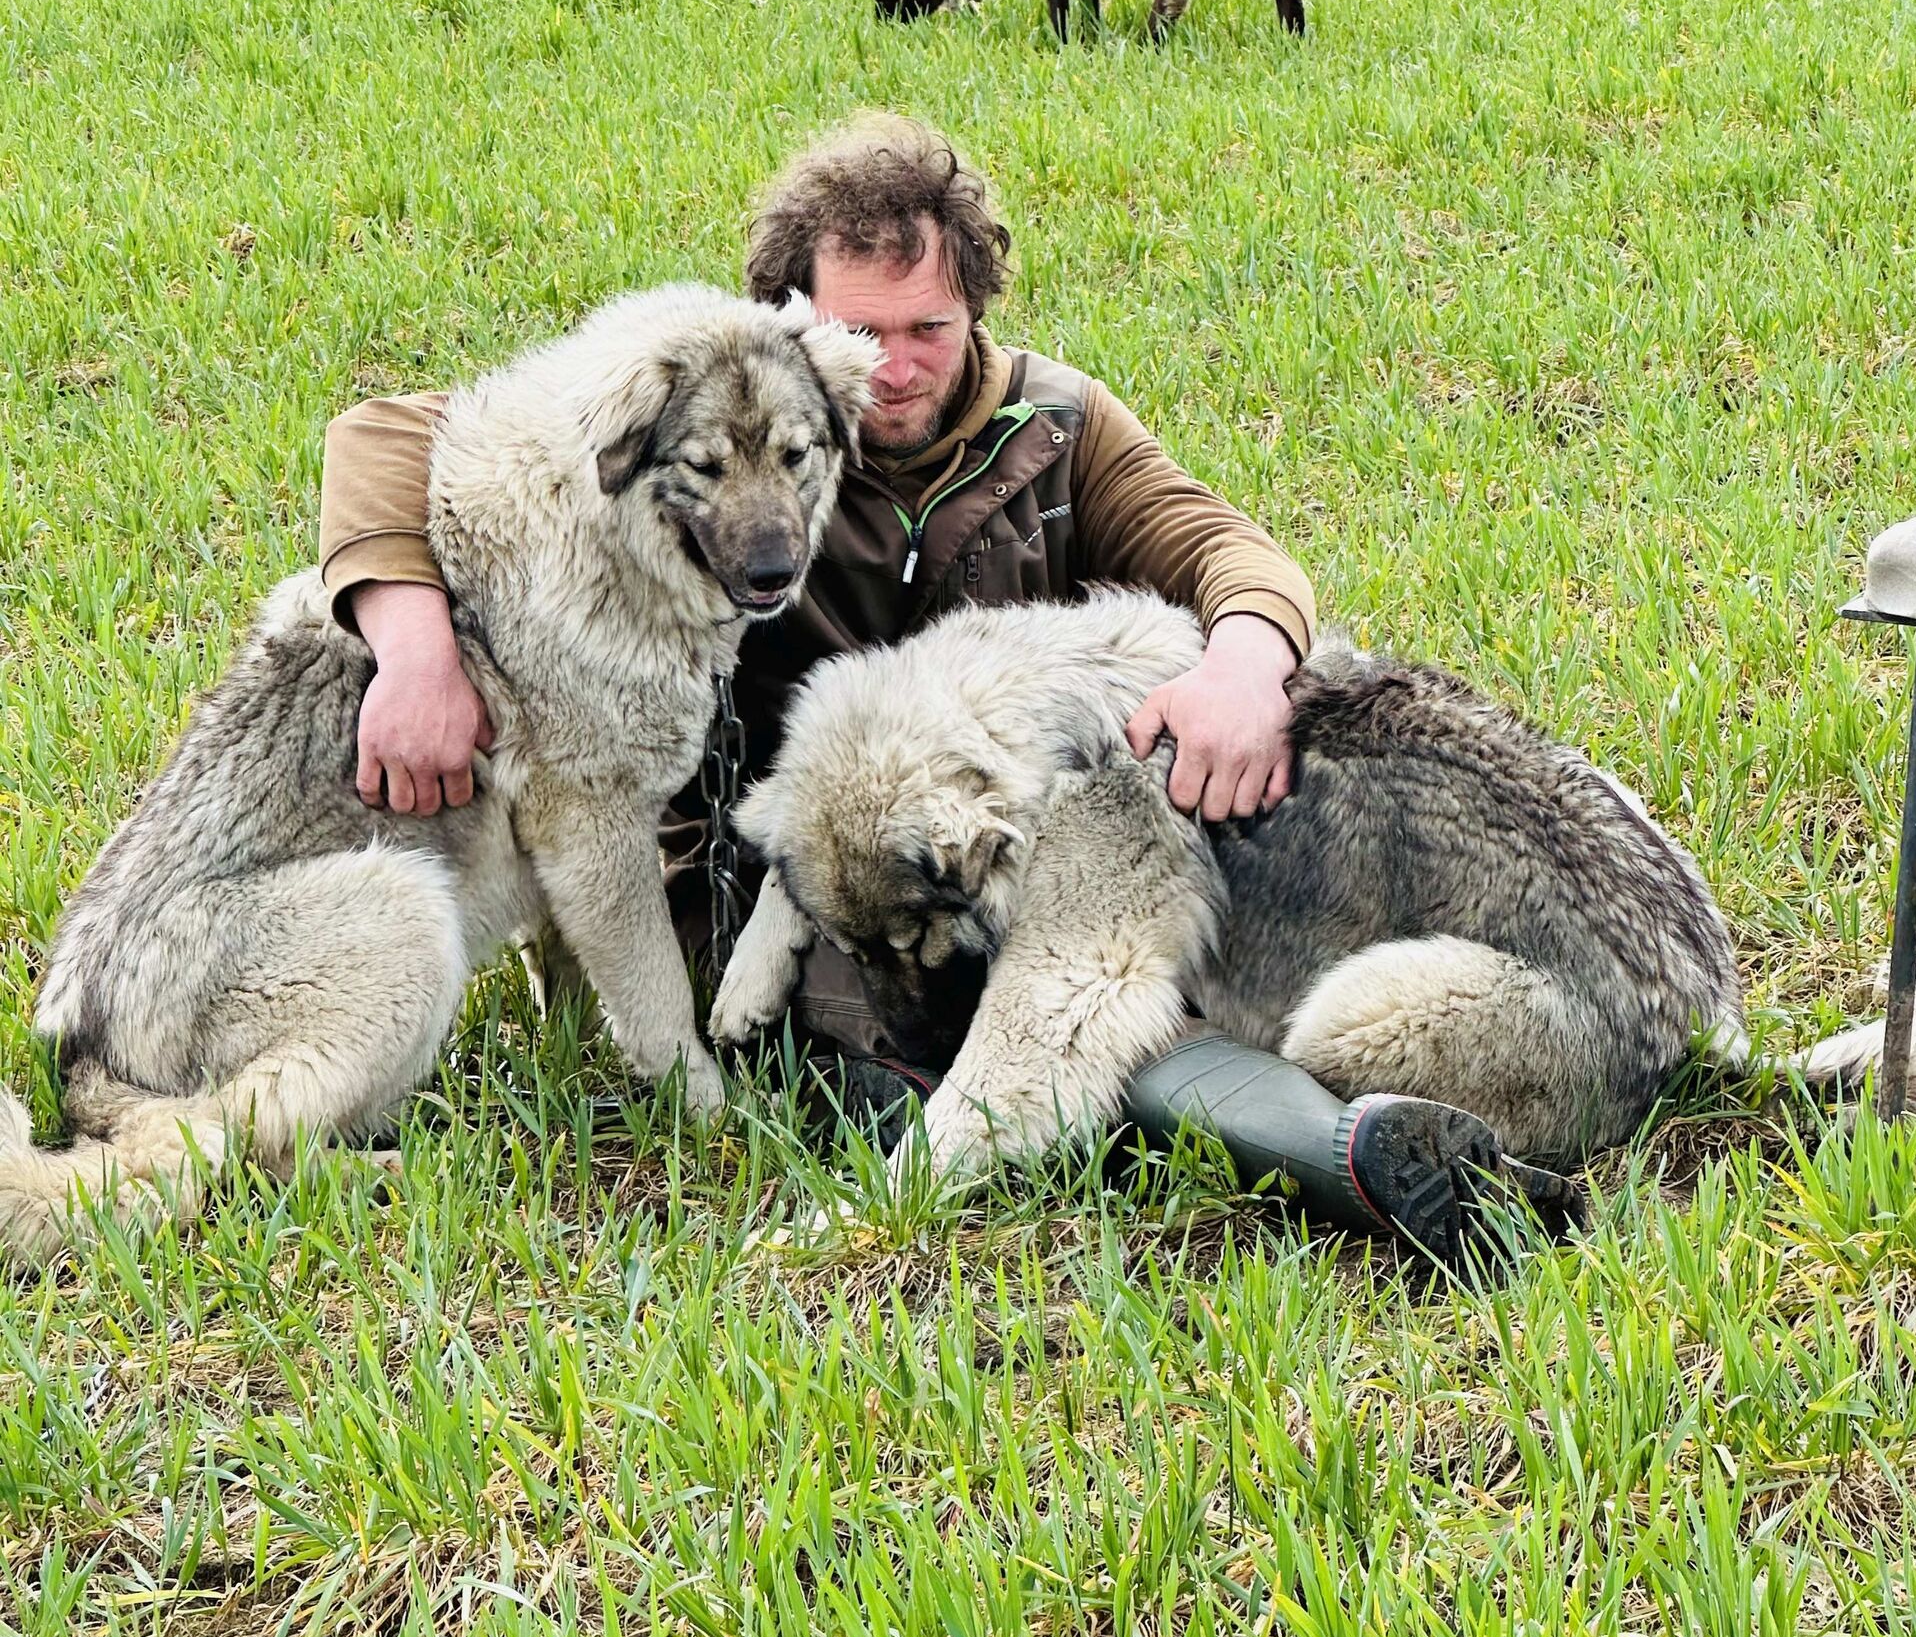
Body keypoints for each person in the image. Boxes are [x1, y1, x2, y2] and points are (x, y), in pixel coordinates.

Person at [318, 114, 1539, 1262]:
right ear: (798, 319)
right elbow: (387, 433)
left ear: (976, 313)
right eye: (867, 332)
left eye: (930, 330)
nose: (894, 369)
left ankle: (1394, 1115)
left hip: (996, 837)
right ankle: (1332, 1149)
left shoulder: (1058, 428)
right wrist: (417, 650)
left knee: (1094, 966)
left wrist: (1247, 657)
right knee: (980, 1025)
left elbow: (1227, 549)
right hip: (788, 881)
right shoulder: (752, 405)